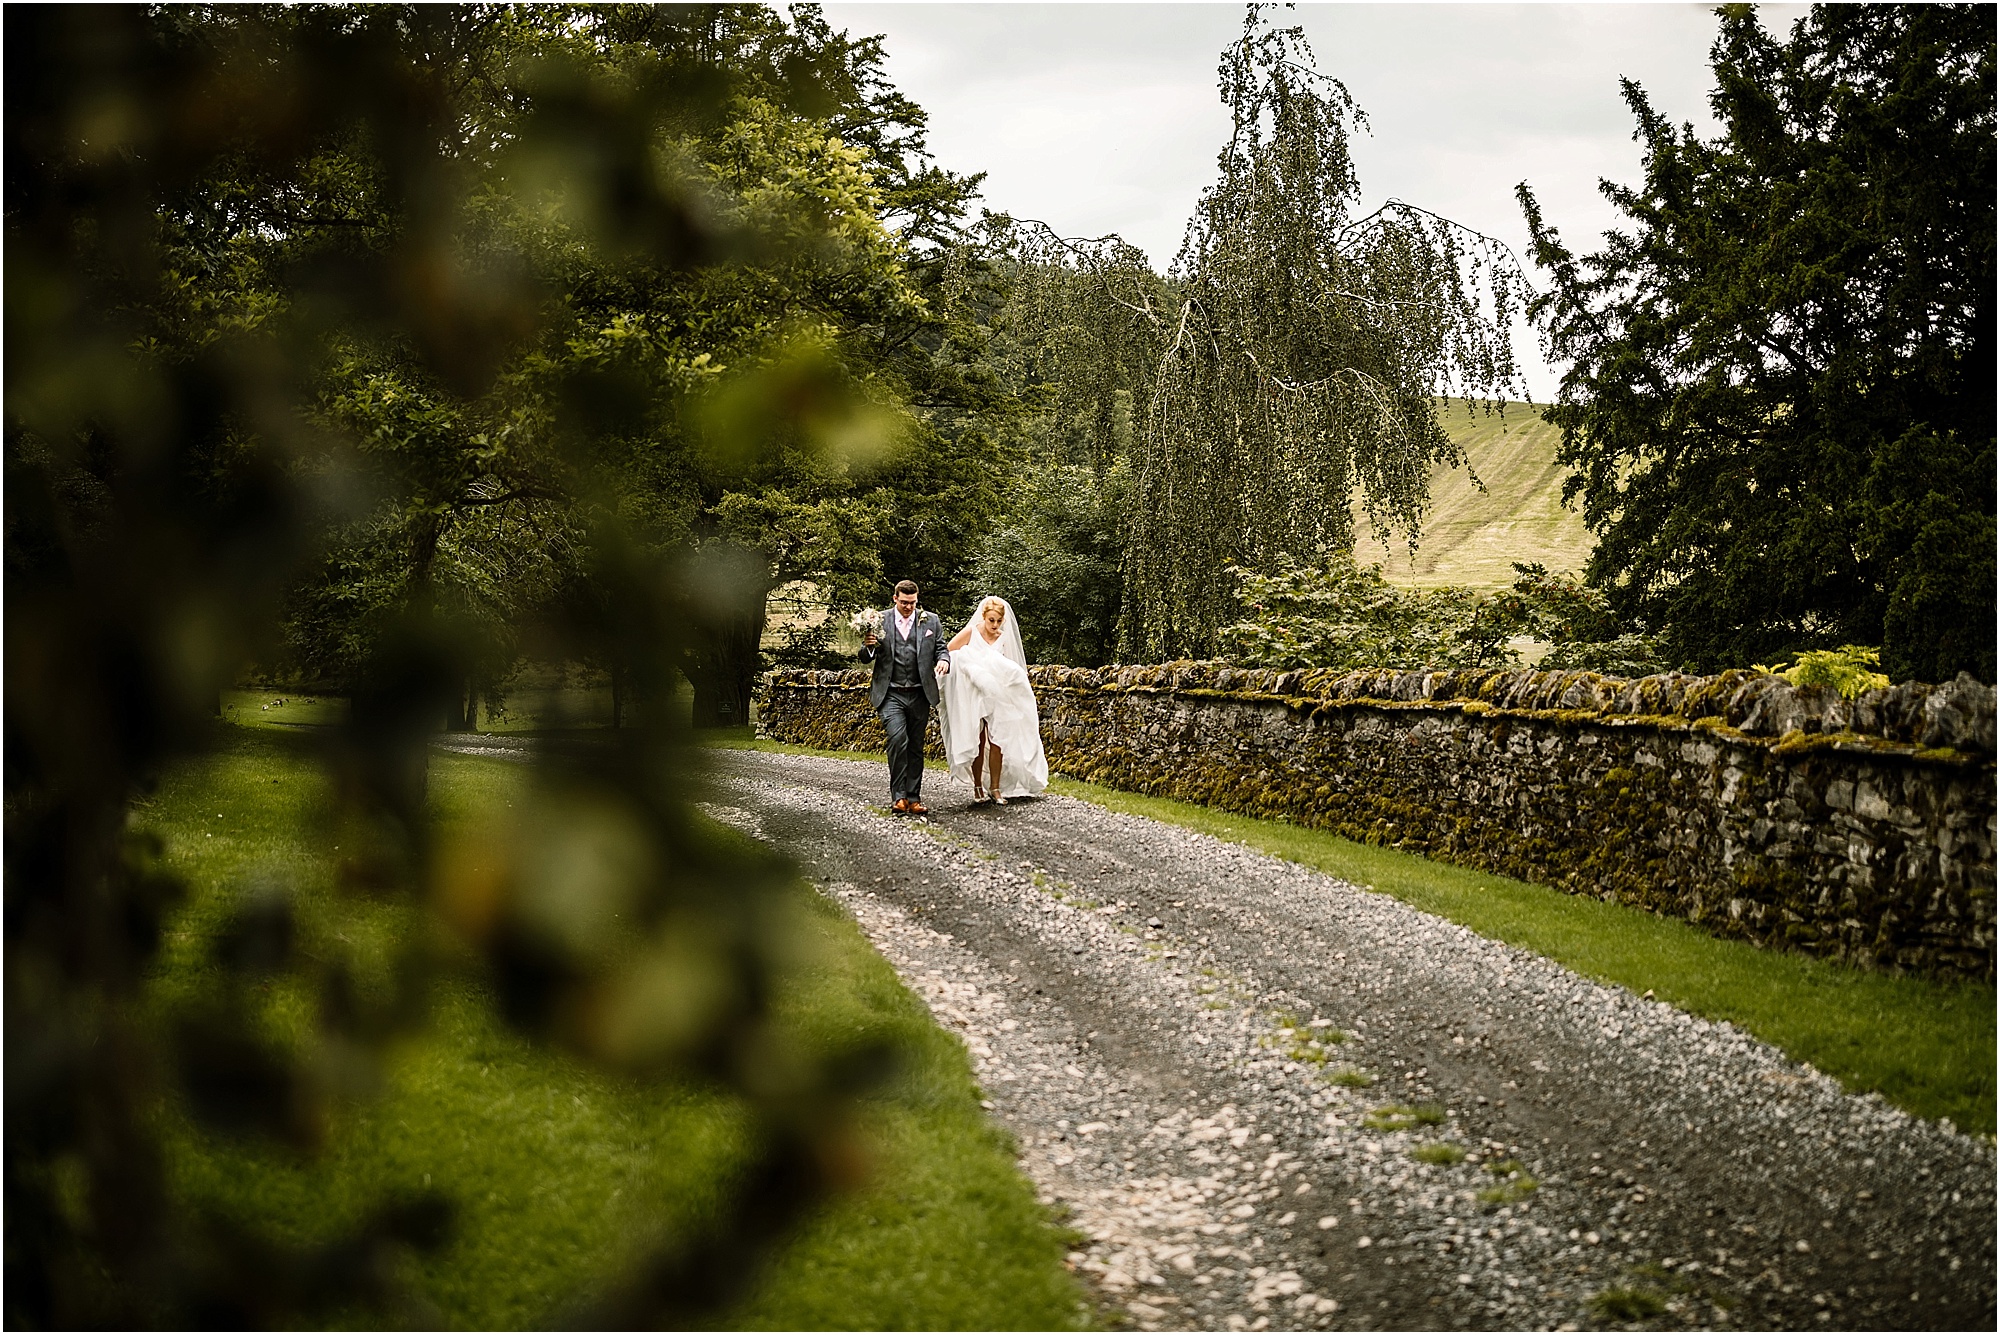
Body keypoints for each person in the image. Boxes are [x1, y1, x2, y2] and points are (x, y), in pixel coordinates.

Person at [940, 596, 1048, 805]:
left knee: (997, 740)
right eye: (991, 620)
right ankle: (977, 786)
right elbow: (949, 651)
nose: (995, 625)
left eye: (998, 621)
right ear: (984, 617)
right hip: (972, 693)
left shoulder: (1004, 638)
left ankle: (996, 788)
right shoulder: (972, 632)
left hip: (996, 694)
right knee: (978, 740)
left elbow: (1007, 666)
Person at [859, 579, 950, 815]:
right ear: (895, 598)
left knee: (916, 747)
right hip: (891, 693)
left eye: (913, 603)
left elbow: (941, 648)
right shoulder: (879, 620)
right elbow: (865, 655)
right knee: (898, 740)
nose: (909, 607)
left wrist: (943, 661)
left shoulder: (931, 621)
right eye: (904, 602)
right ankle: (898, 796)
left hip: (920, 692)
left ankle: (914, 798)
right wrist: (869, 646)